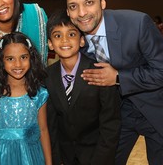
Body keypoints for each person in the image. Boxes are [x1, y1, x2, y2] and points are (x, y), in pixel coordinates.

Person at [60, 0, 163, 165]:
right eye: (73, 6)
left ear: (103, 2)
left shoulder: (137, 23)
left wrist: (118, 77)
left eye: (88, 3)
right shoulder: (75, 40)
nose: (81, 13)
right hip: (118, 116)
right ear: (67, 10)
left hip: (158, 110)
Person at [45, 9, 121, 164]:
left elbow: (110, 123)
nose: (65, 40)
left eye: (71, 34)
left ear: (81, 40)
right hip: (65, 156)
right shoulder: (47, 77)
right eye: (58, 35)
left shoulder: (100, 72)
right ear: (50, 44)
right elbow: (51, 125)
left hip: (97, 155)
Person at [0, 32, 52, 165]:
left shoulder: (39, 94)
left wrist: (49, 163)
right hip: (1, 157)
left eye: (23, 57)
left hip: (31, 157)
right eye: (10, 59)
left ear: (31, 58)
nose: (18, 64)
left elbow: (43, 130)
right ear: (1, 61)